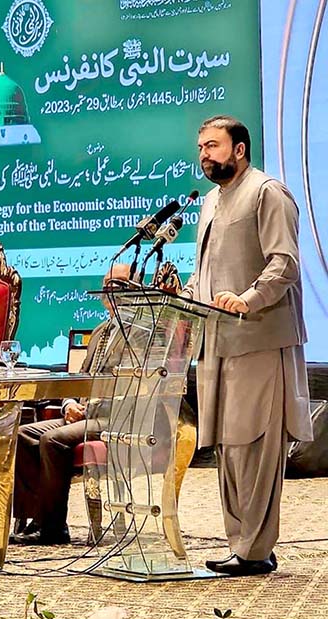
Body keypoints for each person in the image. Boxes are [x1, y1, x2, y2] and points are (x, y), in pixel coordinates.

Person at [183, 115, 312, 576]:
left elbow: (284, 263)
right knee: (227, 447)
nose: (204, 155)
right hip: (217, 340)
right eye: (201, 147)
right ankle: (245, 545)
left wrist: (247, 298)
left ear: (239, 149)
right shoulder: (212, 202)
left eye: (213, 146)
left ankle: (255, 550)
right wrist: (187, 295)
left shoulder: (267, 192)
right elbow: (209, 270)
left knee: (253, 444)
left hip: (260, 335)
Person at [11, 264, 132, 545]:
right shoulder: (100, 331)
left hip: (113, 418)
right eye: (107, 285)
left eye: (119, 285)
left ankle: (53, 528)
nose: (110, 292)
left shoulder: (138, 334)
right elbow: (80, 378)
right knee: (23, 434)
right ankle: (34, 518)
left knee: (53, 441)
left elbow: (134, 387)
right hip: (83, 414)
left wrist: (89, 409)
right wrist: (67, 404)